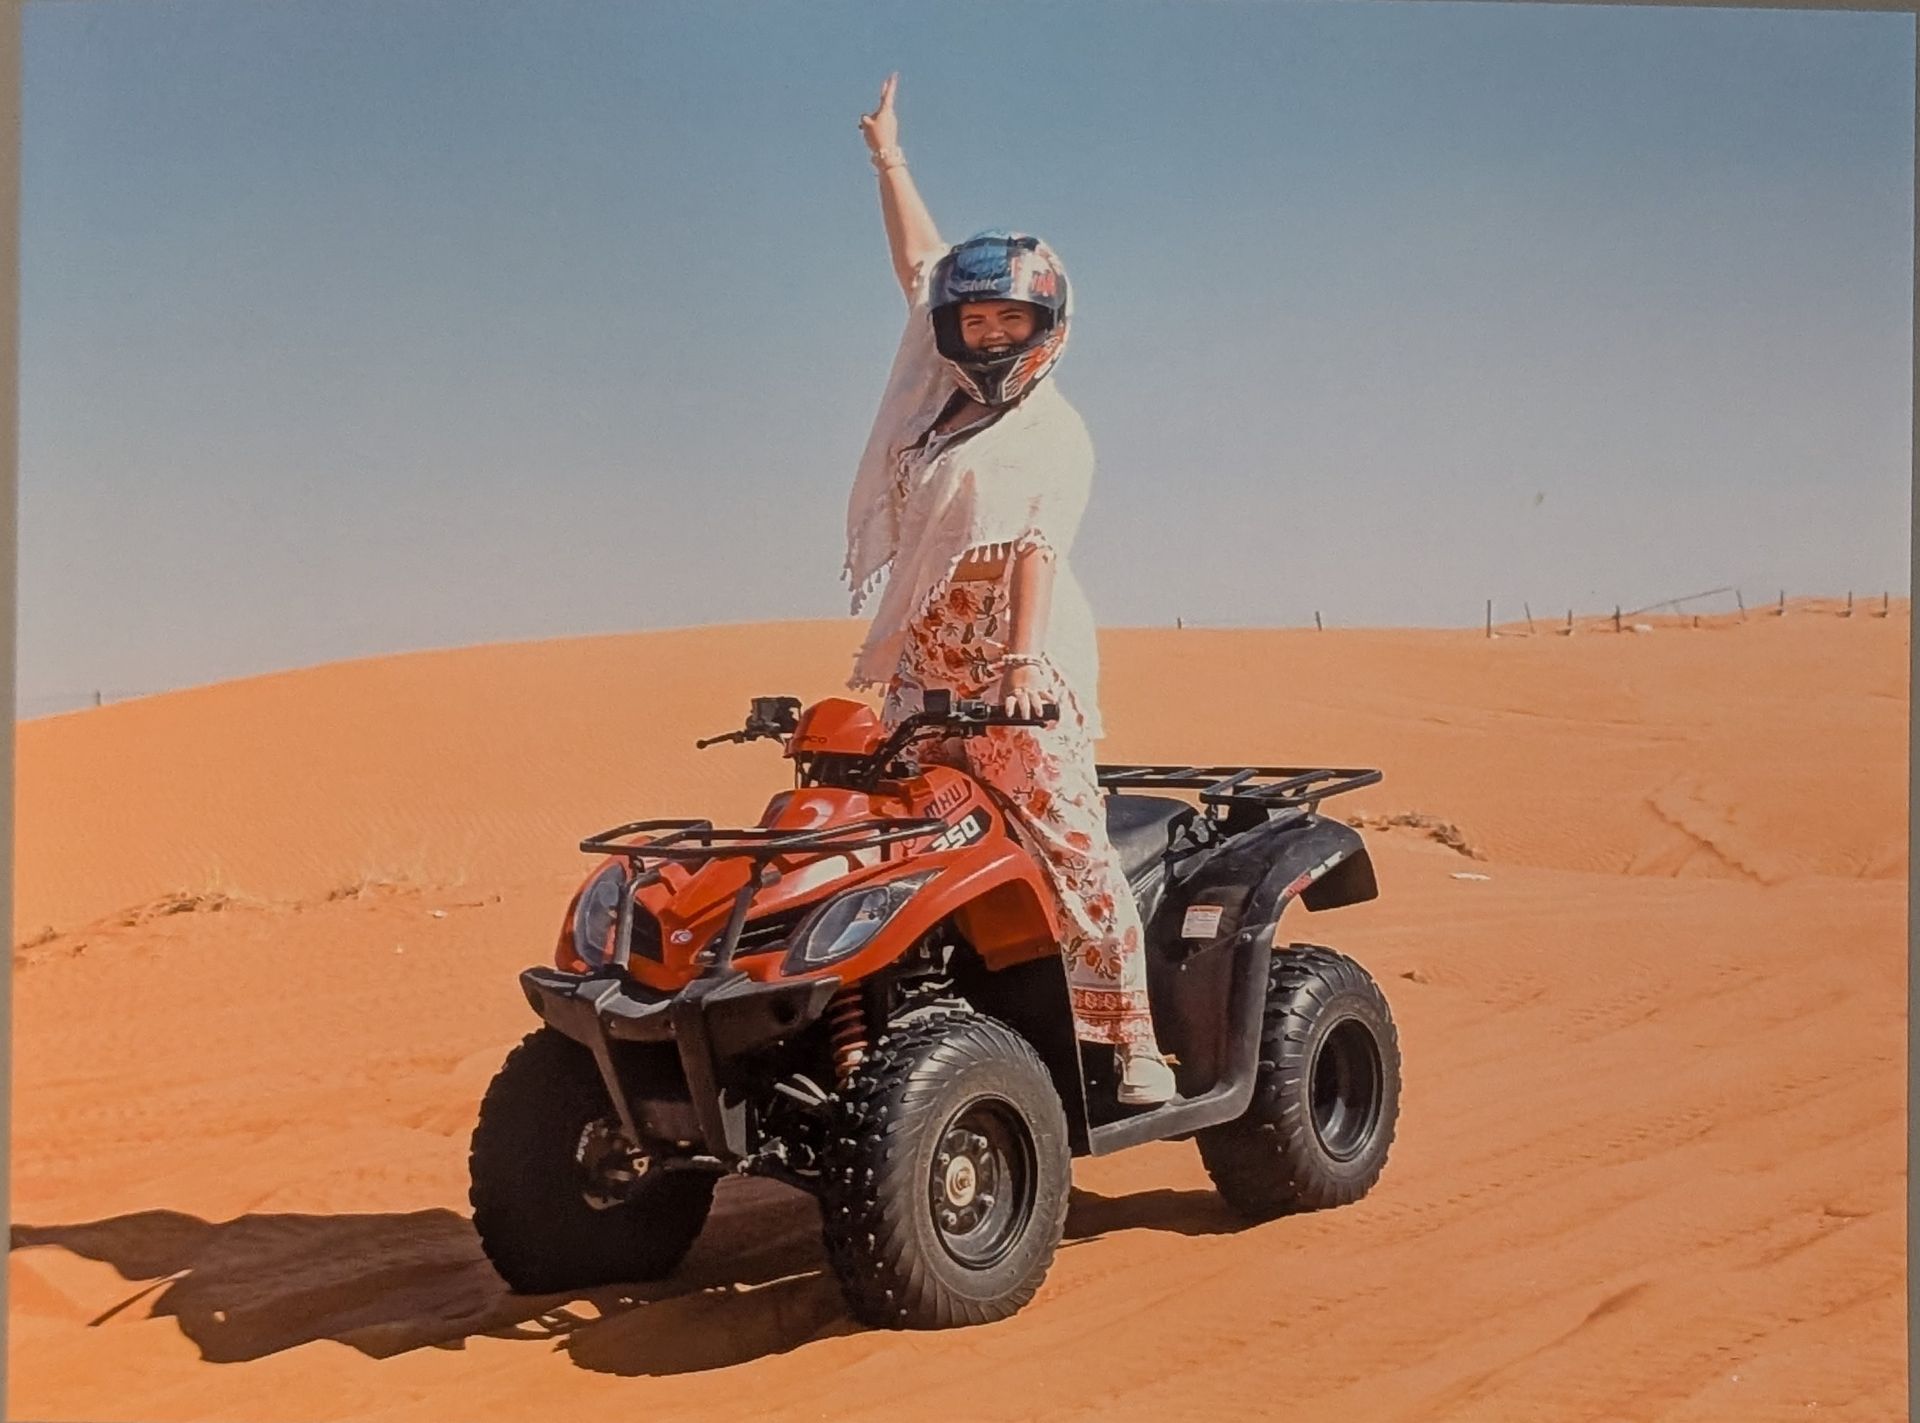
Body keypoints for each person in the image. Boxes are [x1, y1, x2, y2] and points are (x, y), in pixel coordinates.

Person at [840, 74, 1176, 1107]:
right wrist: (888, 159)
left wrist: (1022, 674)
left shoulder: (1052, 431)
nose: (987, 338)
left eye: (1007, 321)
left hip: (1015, 670)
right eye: (974, 321)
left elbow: (1031, 549)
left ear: (1046, 325)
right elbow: (917, 267)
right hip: (922, 671)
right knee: (863, 842)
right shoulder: (935, 404)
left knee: (1070, 838)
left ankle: (1134, 1045)